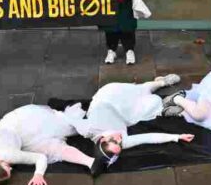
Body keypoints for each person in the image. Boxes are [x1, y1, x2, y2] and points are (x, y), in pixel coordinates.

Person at [56, 74, 195, 176]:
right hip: (124, 115)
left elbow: (67, 118)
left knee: (141, 90)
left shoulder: (88, 129)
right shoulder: (123, 142)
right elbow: (148, 137)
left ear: (103, 139)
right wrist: (177, 137)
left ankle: (161, 82)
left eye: (115, 140)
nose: (120, 139)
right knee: (149, 107)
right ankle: (164, 107)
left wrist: (63, 113)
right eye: (119, 144)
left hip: (108, 98)